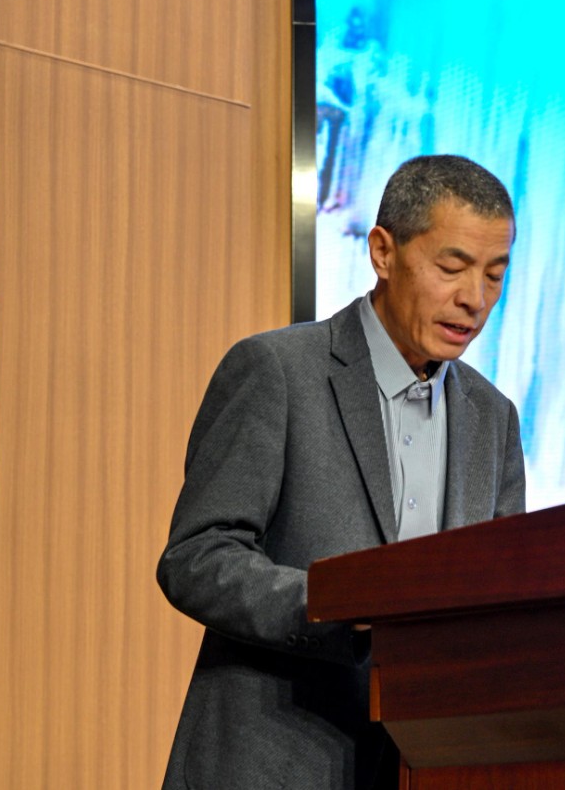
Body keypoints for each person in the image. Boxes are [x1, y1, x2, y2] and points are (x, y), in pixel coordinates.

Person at [158, 154, 527, 790]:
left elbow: (504, 591)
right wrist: (340, 607)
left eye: (495, 276)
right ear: (383, 252)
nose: (474, 299)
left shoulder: (493, 418)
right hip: (274, 765)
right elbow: (196, 557)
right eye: (452, 268)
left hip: (426, 766)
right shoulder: (277, 371)